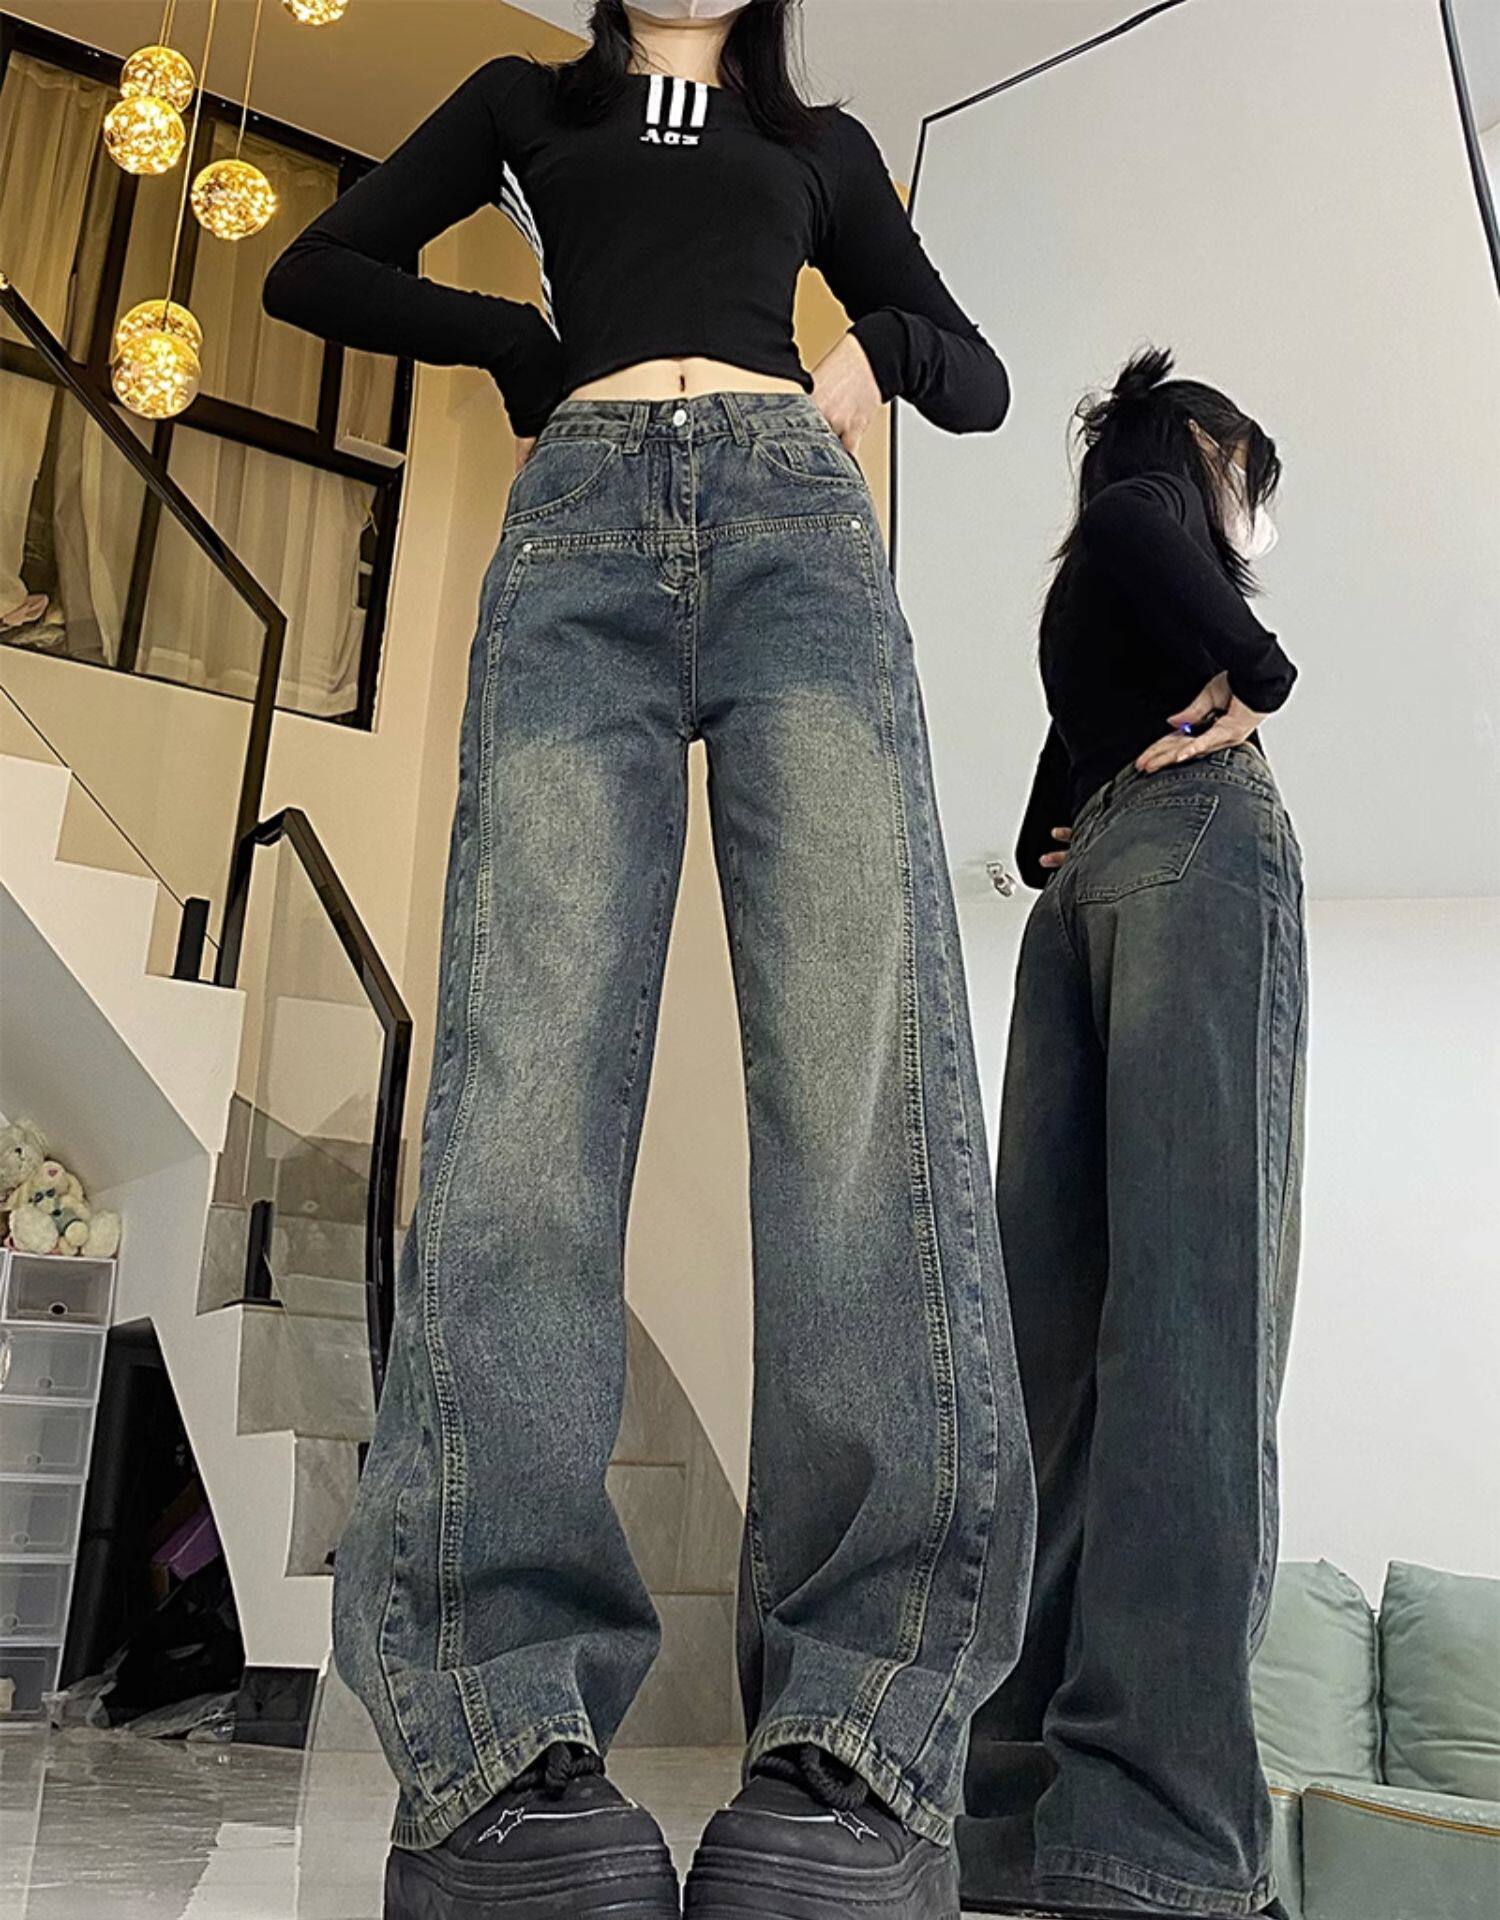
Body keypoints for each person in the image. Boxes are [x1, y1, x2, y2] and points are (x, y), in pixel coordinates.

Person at [263, 4, 1036, 1916]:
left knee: (862, 1099)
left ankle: (858, 1747)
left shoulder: (821, 149)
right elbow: (317, 268)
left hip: (798, 534)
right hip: (578, 542)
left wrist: (871, 358)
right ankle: (496, 1743)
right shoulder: (527, 105)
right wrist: (516, 343)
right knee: (523, 1101)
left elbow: (980, 374)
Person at [960, 348, 1306, 1920]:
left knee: (1068, 1349)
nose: (1249, 515)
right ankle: (1143, 1837)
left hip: (1118, 868)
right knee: (1177, 1329)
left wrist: (1055, 820)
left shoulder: (1106, 554)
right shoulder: (1153, 500)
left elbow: (1098, 646)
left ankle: (1022, 1820)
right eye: (1253, 483)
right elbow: (1132, 533)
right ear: (1211, 444)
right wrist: (1264, 672)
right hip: (1169, 855)